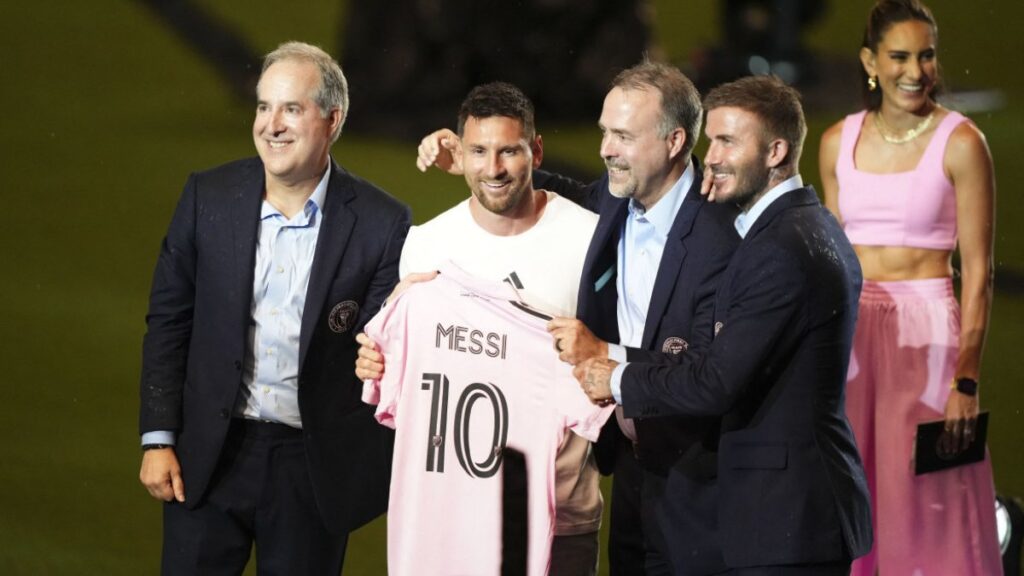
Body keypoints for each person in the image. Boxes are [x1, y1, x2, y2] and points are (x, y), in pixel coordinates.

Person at [411, 61, 741, 575]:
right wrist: (485, 162)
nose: (606, 148)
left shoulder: (723, 234)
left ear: (675, 141)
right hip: (631, 467)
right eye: (605, 132)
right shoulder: (609, 205)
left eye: (624, 136)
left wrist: (605, 358)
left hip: (698, 475)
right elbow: (553, 189)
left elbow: (712, 372)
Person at [576, 75, 873, 575]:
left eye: (728, 141)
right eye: (711, 140)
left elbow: (715, 379)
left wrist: (615, 375)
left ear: (776, 151)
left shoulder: (779, 250)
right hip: (786, 515)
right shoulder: (807, 224)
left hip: (786, 521)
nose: (710, 157)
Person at [138, 41, 410, 574]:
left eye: (291, 108)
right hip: (206, 457)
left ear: (333, 120)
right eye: (263, 106)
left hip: (312, 469)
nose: (271, 124)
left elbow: (383, 344)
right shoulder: (207, 197)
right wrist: (158, 437)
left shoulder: (383, 223)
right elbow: (170, 321)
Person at [358, 81, 605, 574]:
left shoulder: (589, 242)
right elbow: (393, 366)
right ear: (459, 152)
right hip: (448, 521)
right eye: (478, 151)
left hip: (562, 518)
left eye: (508, 151)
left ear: (535, 150)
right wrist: (380, 361)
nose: (492, 168)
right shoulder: (426, 246)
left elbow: (613, 365)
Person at [818, 1, 1002, 574]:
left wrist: (966, 377)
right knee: (854, 490)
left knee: (927, 501)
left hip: (930, 337)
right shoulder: (834, 142)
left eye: (926, 56)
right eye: (899, 56)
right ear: (870, 60)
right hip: (852, 337)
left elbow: (979, 271)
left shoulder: (962, 142)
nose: (915, 71)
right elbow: (830, 263)